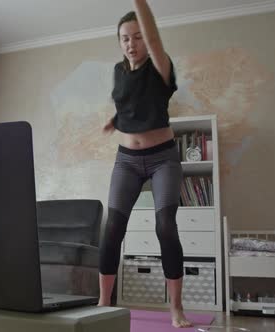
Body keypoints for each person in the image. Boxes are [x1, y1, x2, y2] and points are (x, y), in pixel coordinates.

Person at [98, 0, 191, 328]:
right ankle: (101, 304)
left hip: (162, 157)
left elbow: (154, 40)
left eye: (137, 37)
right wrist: (115, 120)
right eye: (125, 38)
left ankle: (176, 308)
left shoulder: (160, 66)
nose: (132, 43)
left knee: (165, 225)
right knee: (112, 230)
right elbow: (130, 102)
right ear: (119, 42)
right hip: (126, 160)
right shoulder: (118, 72)